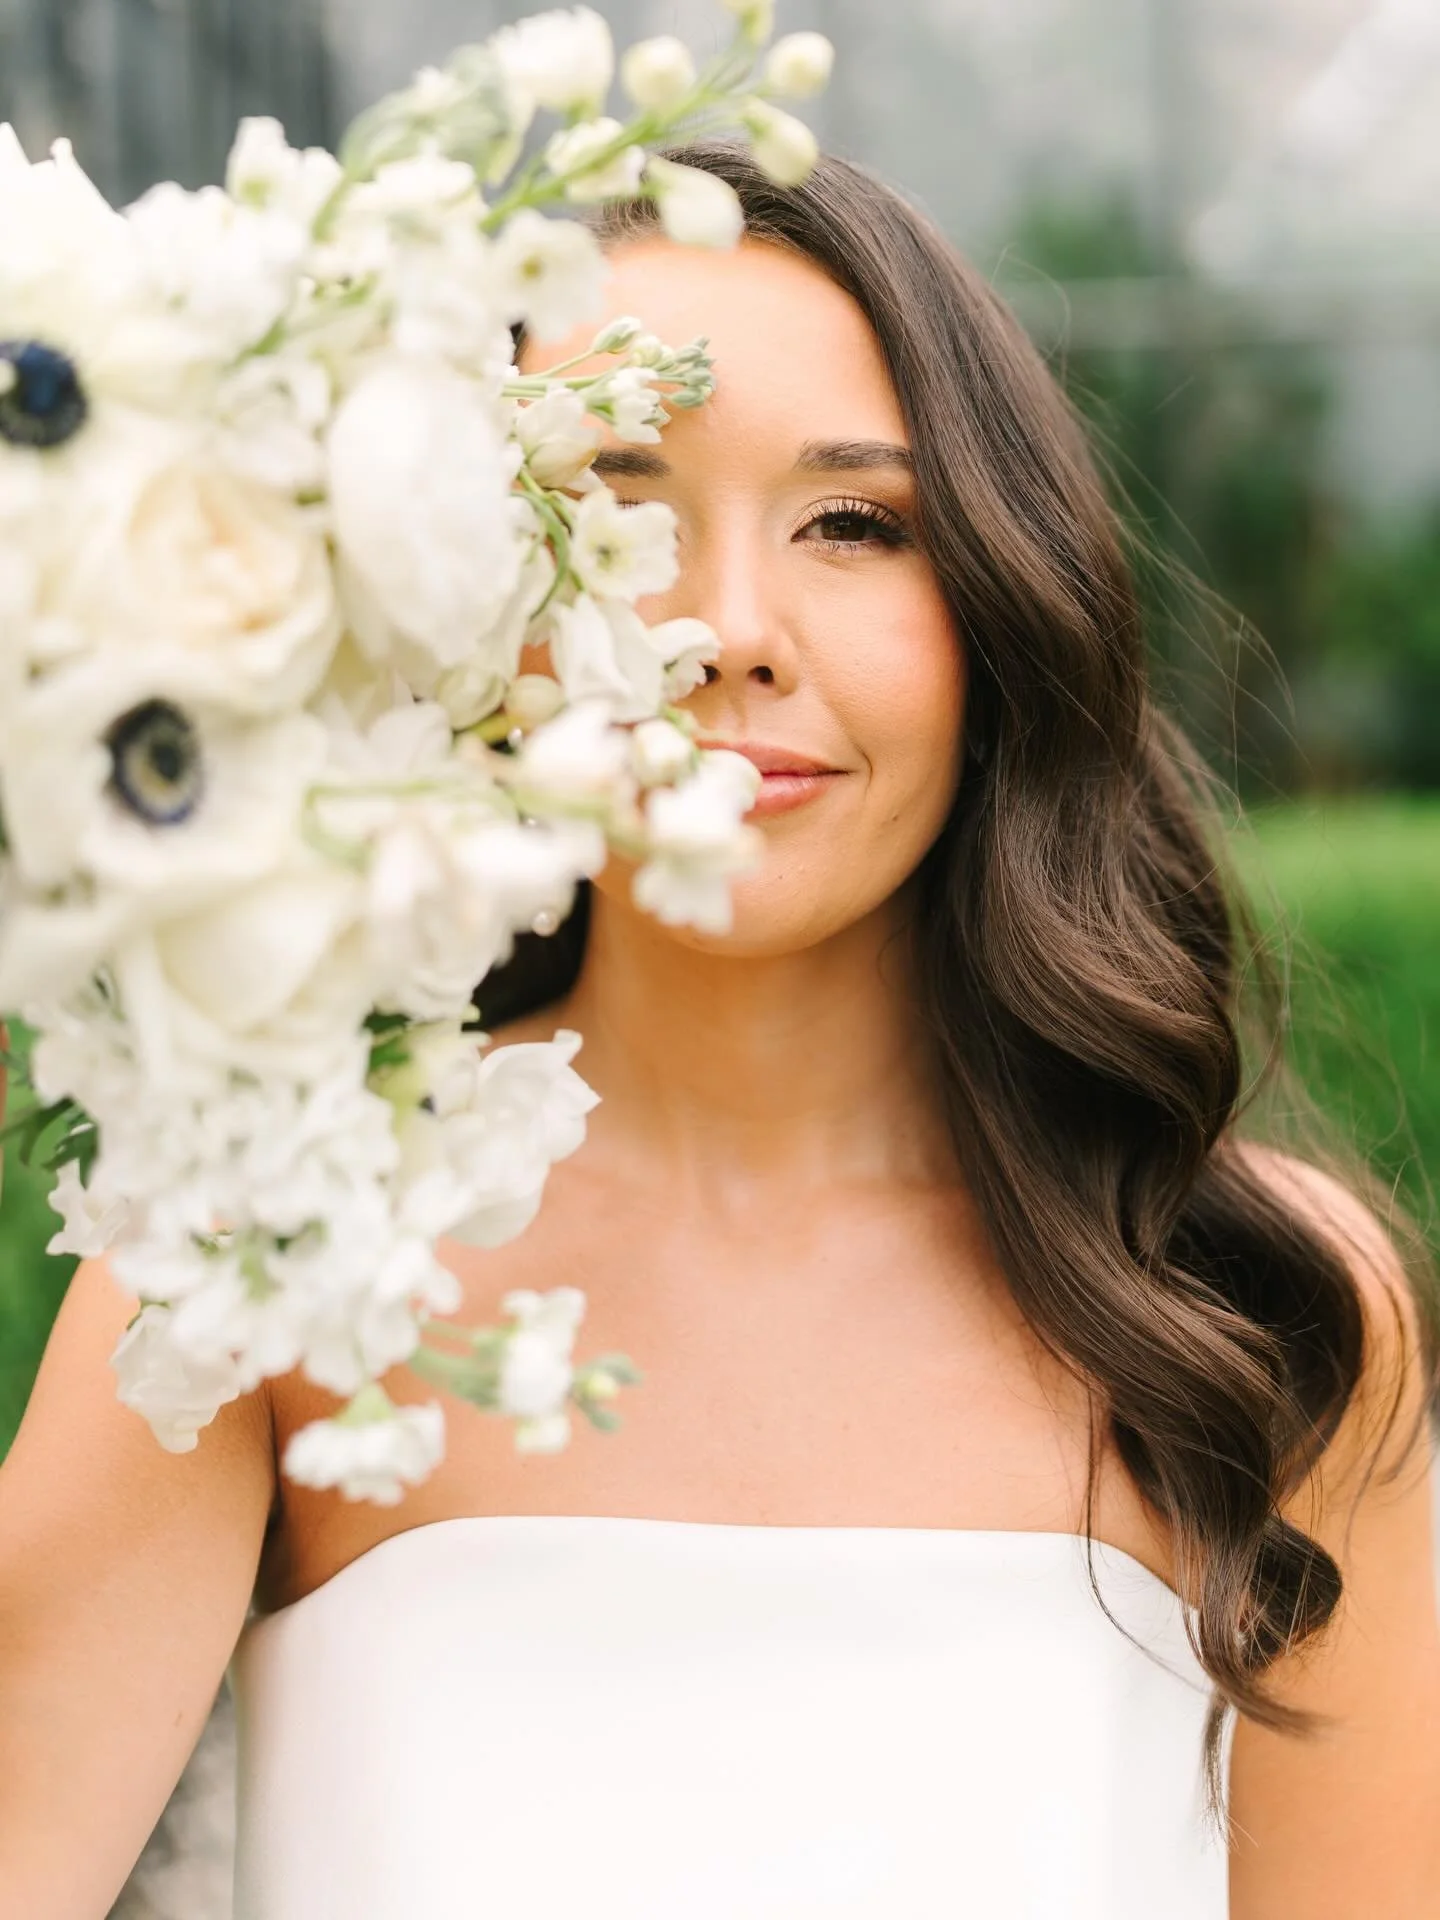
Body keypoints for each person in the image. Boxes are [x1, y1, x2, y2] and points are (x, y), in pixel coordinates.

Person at [1, 142, 1437, 1920]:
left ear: (1002, 602)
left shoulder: (1256, 1312)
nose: (729, 633)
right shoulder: (268, 1258)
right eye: (617, 512)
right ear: (455, 618)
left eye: (855, 525)